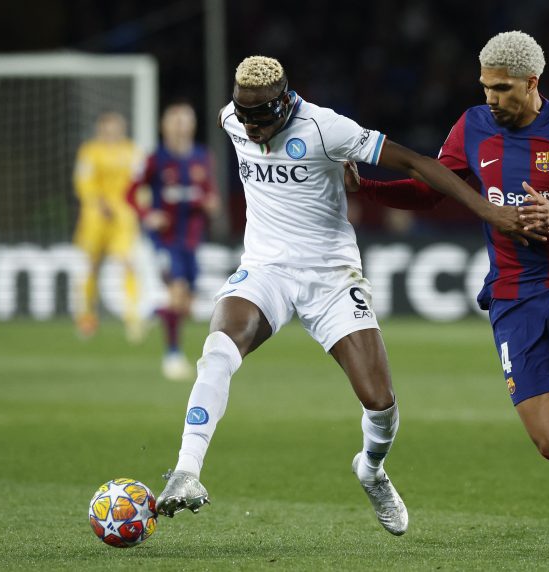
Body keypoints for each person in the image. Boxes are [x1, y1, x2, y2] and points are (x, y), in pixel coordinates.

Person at [156, 56, 521, 536]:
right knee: (218, 350)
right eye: (245, 118)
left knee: (381, 402)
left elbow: (416, 163)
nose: (252, 129)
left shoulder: (326, 128)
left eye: (261, 120)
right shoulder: (232, 118)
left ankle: (370, 469)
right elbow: (243, 123)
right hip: (265, 269)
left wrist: (488, 213)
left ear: (285, 104)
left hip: (331, 277)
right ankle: (186, 470)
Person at [346, 31, 549, 555]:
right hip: (513, 299)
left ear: (533, 84)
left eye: (502, 88)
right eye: (485, 86)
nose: (490, 97)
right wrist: (367, 188)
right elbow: (432, 190)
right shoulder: (473, 126)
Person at [127, 101, 220, 381]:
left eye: (185, 120)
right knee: (177, 291)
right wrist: (147, 214)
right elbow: (129, 193)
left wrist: (210, 203)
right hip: (164, 240)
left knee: (186, 307)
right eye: (175, 120)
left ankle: (150, 311)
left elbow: (209, 192)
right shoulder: (154, 159)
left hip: (191, 238)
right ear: (164, 126)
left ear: (192, 125)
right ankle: (172, 356)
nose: (181, 126)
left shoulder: (203, 157)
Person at [72, 112, 143, 340]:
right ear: (100, 130)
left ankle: (133, 319)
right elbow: (83, 183)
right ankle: (86, 317)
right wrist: (98, 202)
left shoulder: (131, 151)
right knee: (91, 266)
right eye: (107, 129)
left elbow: (139, 183)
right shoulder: (90, 151)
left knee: (128, 264)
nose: (111, 133)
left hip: (122, 216)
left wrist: (140, 207)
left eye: (115, 128)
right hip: (95, 215)